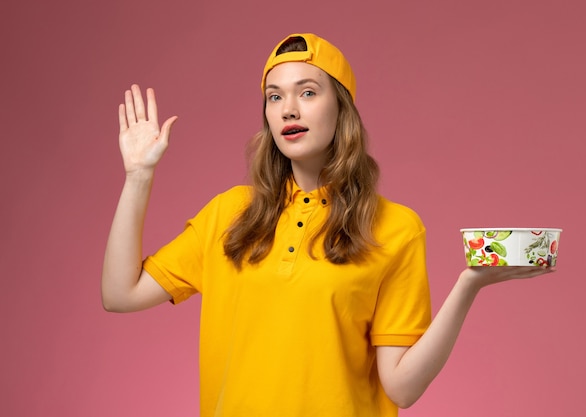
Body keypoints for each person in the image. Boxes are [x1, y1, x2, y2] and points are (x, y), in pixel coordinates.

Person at [102, 33, 553, 417]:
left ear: (343, 108)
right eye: (274, 96)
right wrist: (139, 177)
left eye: (308, 92)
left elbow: (401, 389)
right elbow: (120, 295)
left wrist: (468, 284)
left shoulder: (395, 227)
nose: (288, 109)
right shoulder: (229, 213)